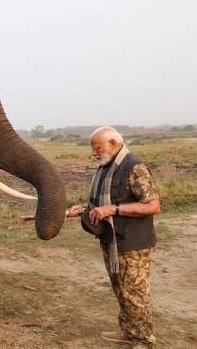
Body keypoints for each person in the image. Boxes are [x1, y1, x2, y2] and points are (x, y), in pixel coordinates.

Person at [67, 126, 160, 347]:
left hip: (133, 244)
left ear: (113, 143)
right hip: (112, 241)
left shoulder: (134, 167)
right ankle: (128, 332)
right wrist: (81, 208)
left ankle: (145, 341)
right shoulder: (105, 168)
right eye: (93, 149)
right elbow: (99, 203)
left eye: (97, 148)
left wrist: (114, 210)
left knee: (135, 296)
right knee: (121, 291)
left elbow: (153, 205)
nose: (94, 153)